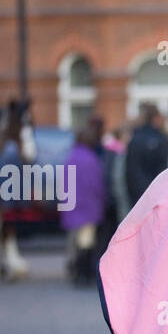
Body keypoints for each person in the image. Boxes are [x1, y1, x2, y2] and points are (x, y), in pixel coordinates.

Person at [62, 117, 108, 286]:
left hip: (72, 207)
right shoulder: (92, 160)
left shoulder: (70, 158)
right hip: (89, 208)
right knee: (86, 243)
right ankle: (83, 273)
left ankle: (75, 269)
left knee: (75, 241)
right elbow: (97, 185)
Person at [124, 103, 168, 212]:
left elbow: (130, 169)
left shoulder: (134, 138)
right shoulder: (161, 138)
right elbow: (163, 167)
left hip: (137, 194)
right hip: (156, 192)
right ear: (155, 118)